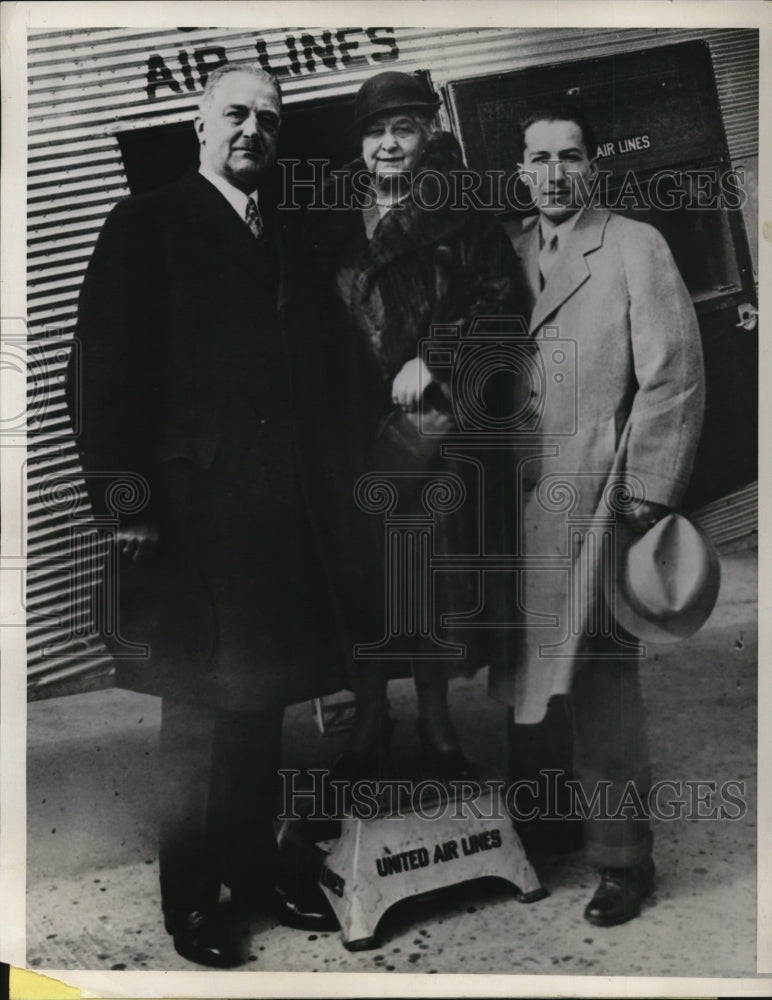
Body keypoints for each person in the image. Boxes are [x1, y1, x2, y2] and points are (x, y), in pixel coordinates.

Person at [67, 64, 344, 968]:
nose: (252, 132)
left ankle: (253, 871)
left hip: (270, 526)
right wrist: (125, 500)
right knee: (195, 715)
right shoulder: (146, 221)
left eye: (268, 120)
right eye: (235, 115)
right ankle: (189, 905)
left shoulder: (283, 231)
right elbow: (101, 372)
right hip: (184, 522)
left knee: (258, 709)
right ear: (198, 124)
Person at [489, 101, 705, 926]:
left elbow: (675, 376)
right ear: (520, 170)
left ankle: (622, 858)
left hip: (600, 498)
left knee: (604, 681)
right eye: (538, 158)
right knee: (527, 673)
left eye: (569, 157)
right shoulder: (507, 251)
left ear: (593, 166)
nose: (554, 174)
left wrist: (646, 493)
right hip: (519, 503)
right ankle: (544, 829)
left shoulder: (634, 245)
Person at [303, 71, 528, 786]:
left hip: (423, 432)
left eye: (403, 128)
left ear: (429, 132)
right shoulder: (329, 215)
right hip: (343, 433)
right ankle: (370, 718)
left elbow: (505, 307)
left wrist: (435, 355)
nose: (388, 144)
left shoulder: (462, 214)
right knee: (360, 586)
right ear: (361, 144)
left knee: (423, 581)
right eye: (375, 131)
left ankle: (436, 721)